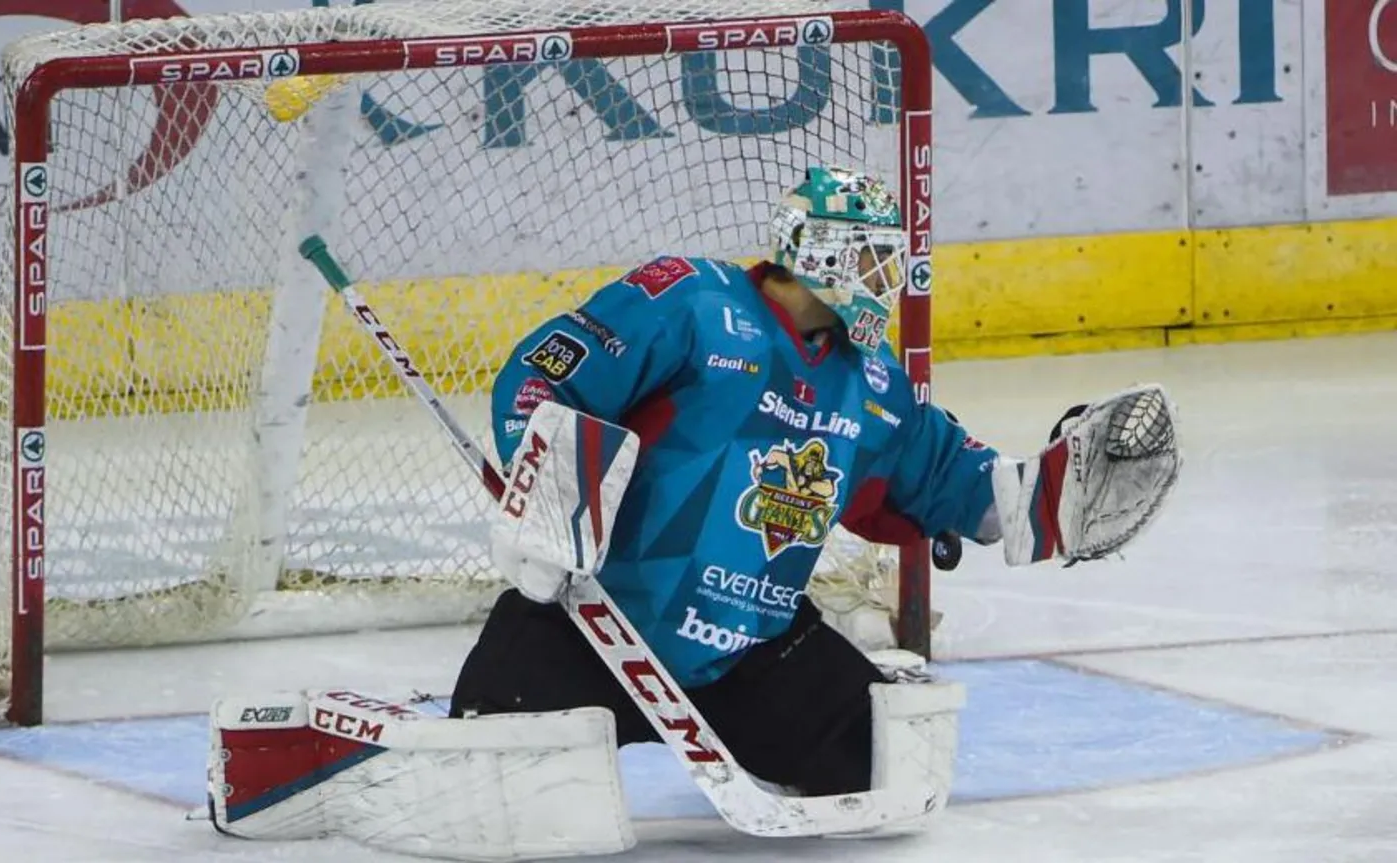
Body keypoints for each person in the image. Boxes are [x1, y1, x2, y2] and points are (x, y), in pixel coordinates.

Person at [448, 165, 1175, 798]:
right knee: (497, 782)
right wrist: (544, 495)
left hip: (748, 652)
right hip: (593, 626)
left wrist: (1039, 498)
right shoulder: (694, 303)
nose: (885, 279)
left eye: (890, 261)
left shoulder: (875, 382)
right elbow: (543, 375)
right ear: (817, 250)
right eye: (870, 257)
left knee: (879, 770)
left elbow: (947, 477)